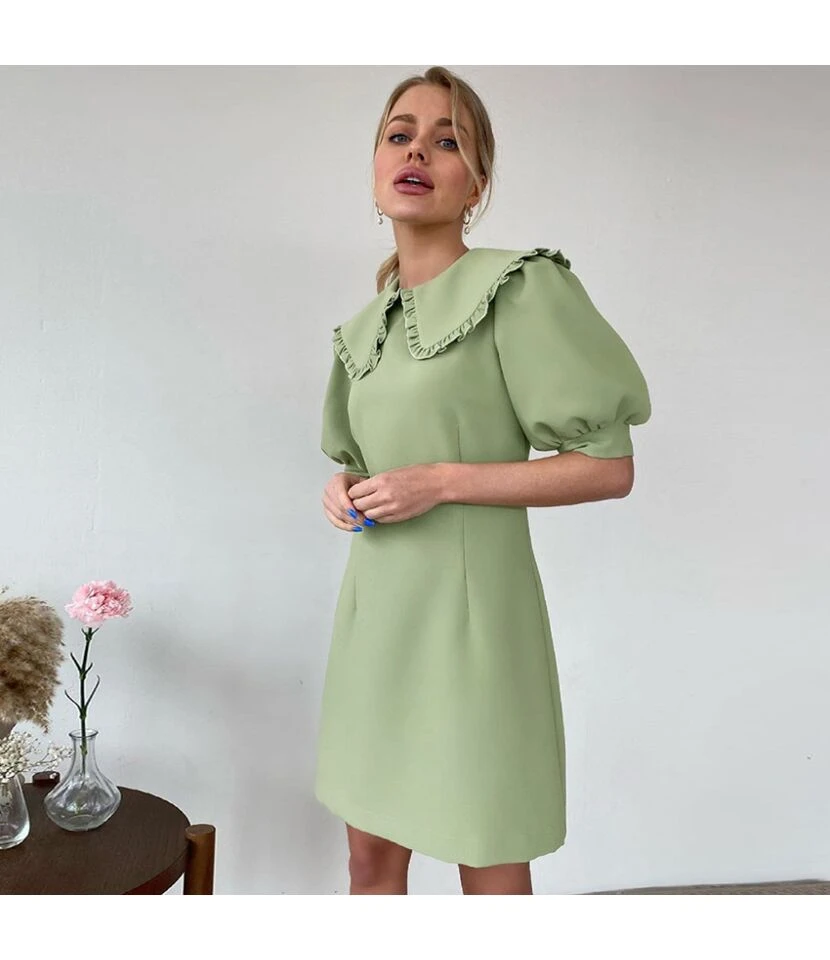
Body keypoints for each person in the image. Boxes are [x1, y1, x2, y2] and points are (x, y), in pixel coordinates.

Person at [316, 66, 651, 895]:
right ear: (375, 165)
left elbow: (607, 467)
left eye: (447, 140)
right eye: (400, 134)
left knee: (488, 853)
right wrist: (343, 491)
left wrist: (441, 481)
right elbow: (359, 460)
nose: (417, 151)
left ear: (477, 184)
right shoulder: (364, 329)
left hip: (473, 623)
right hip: (376, 616)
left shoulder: (520, 286)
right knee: (368, 860)